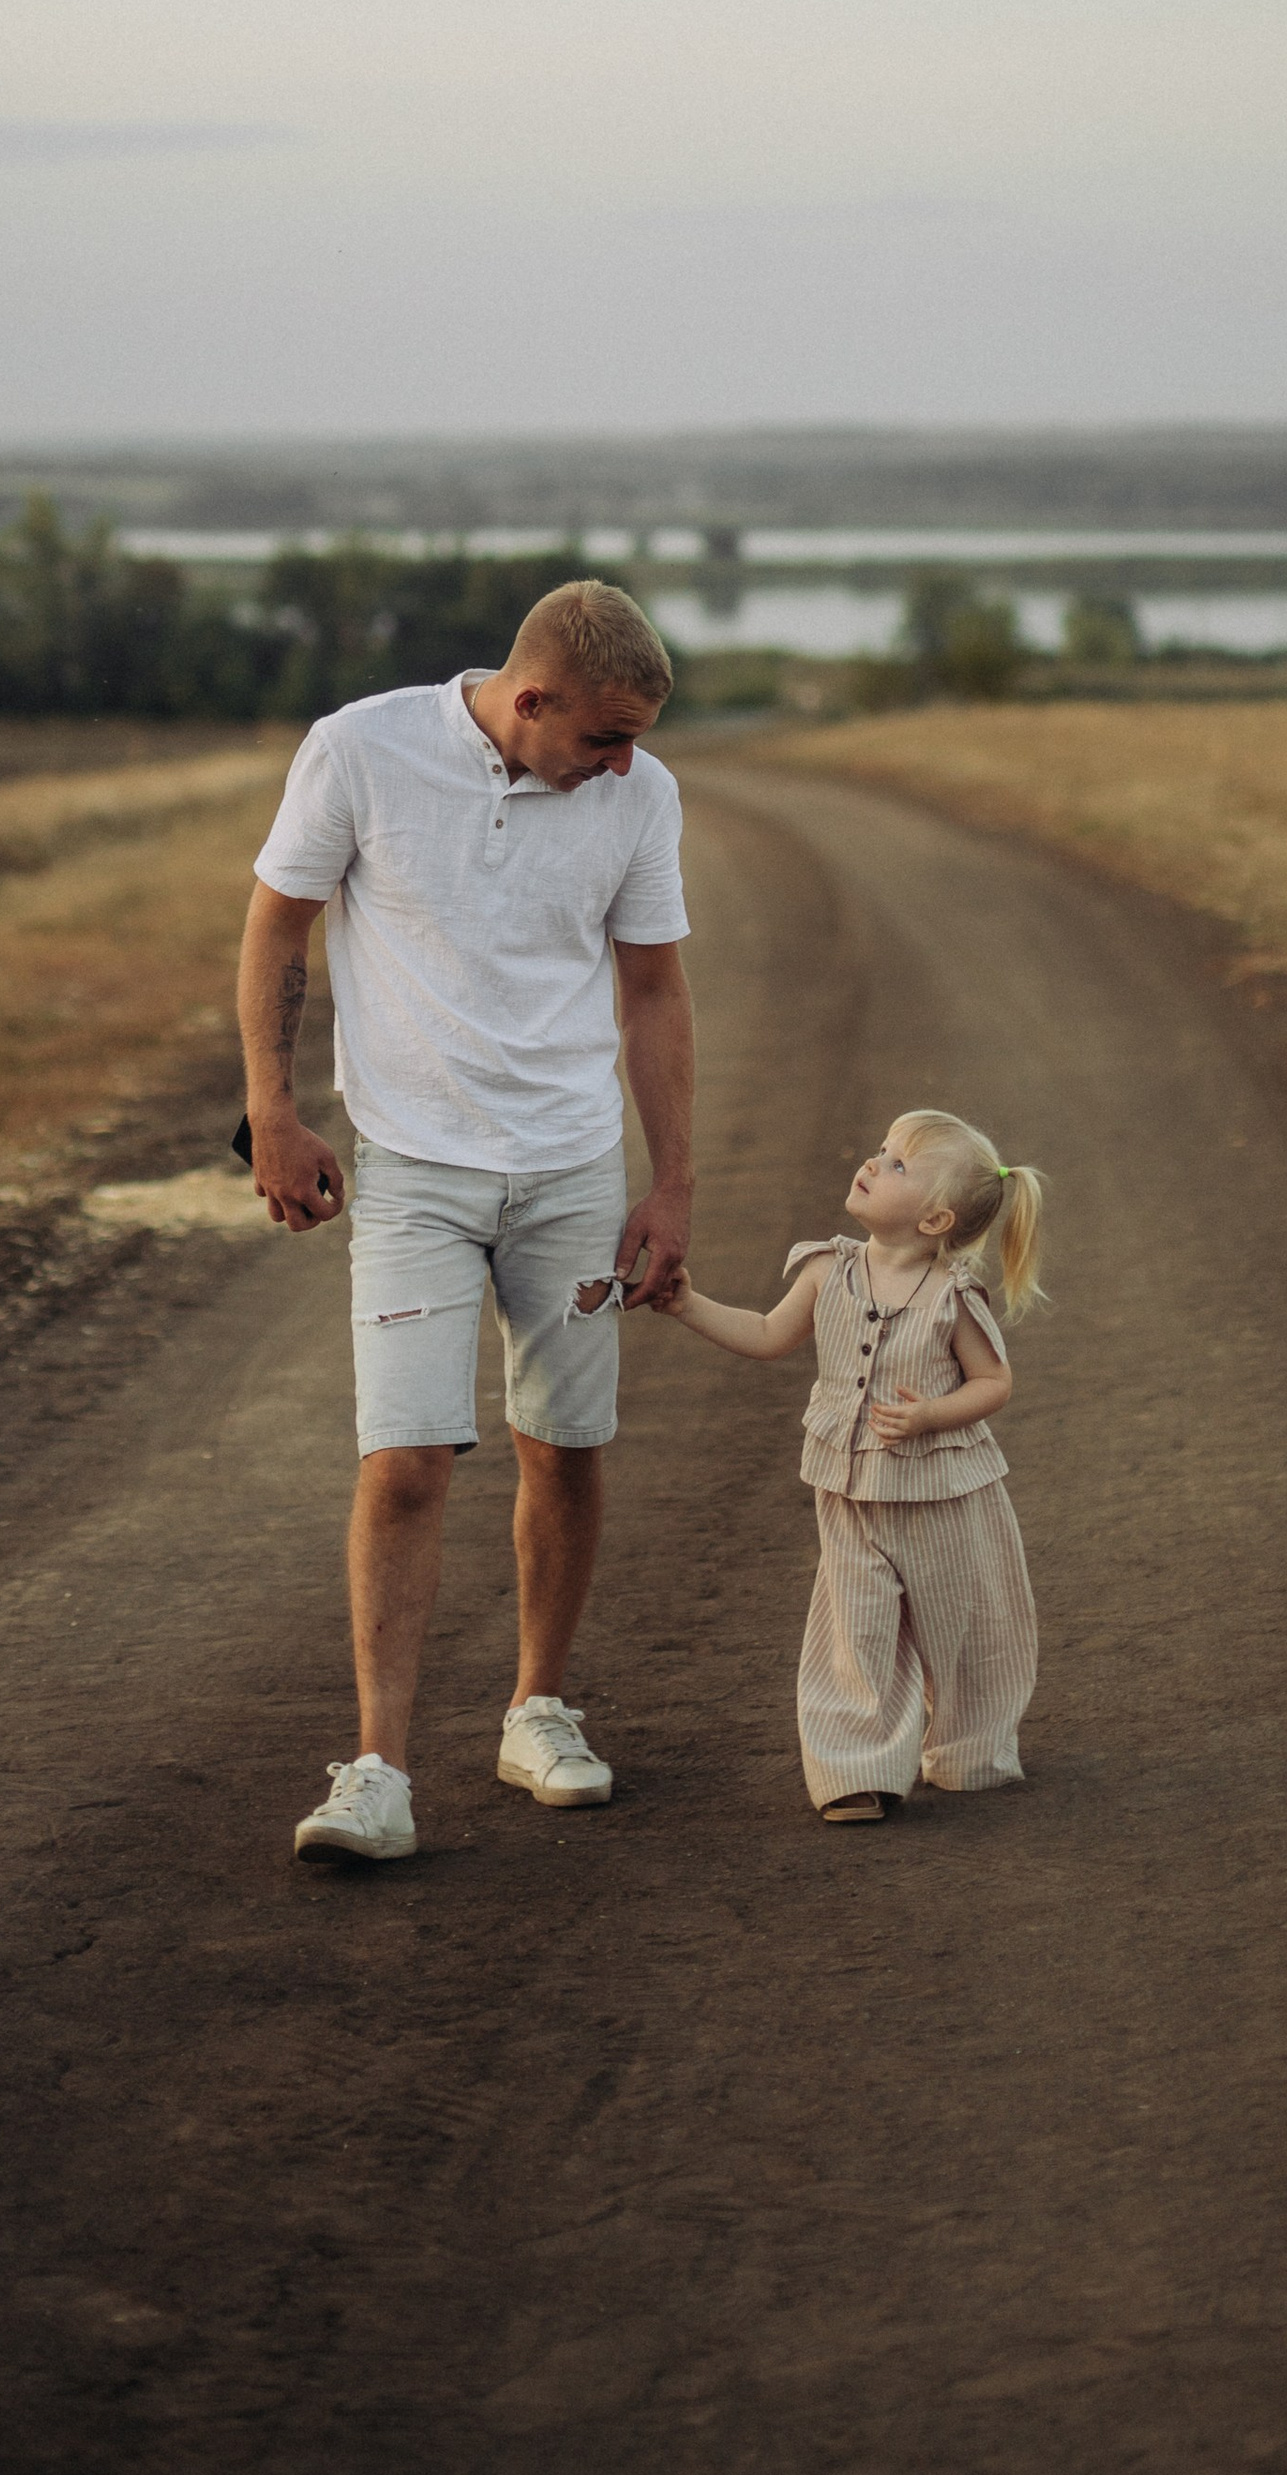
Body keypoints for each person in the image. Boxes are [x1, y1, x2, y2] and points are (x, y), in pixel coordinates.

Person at [237, 578, 694, 1866]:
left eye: (638, 741)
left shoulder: (639, 798)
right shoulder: (360, 749)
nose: (624, 764)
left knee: (565, 1441)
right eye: (604, 736)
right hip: (412, 1166)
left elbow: (654, 990)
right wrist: (271, 1111)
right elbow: (277, 923)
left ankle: (537, 1710)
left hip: (569, 1168)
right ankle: (378, 1768)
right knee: (407, 1457)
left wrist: (672, 1186)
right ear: (530, 697)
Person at [651, 1109, 1045, 1822]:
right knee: (854, 1628)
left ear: (934, 1220)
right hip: (851, 1489)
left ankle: (969, 1749)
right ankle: (856, 1771)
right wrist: (688, 1306)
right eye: (881, 1150)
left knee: (966, 1625)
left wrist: (929, 1414)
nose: (873, 1161)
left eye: (899, 1165)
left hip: (943, 1495)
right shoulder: (827, 1268)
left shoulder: (952, 1298)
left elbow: (995, 1384)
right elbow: (769, 1335)